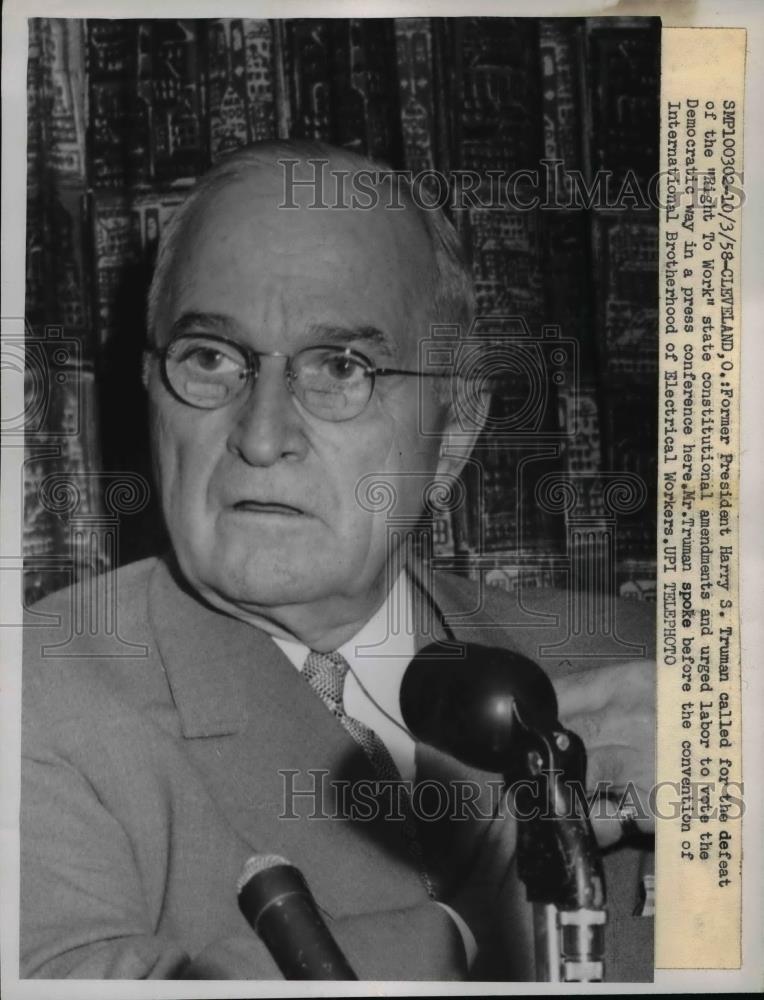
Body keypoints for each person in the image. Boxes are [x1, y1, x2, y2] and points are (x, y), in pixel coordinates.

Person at [21, 140, 655, 981]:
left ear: (455, 429)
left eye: (342, 367)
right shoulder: (34, 692)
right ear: (149, 389)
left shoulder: (639, 666)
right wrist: (468, 928)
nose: (261, 436)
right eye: (211, 358)